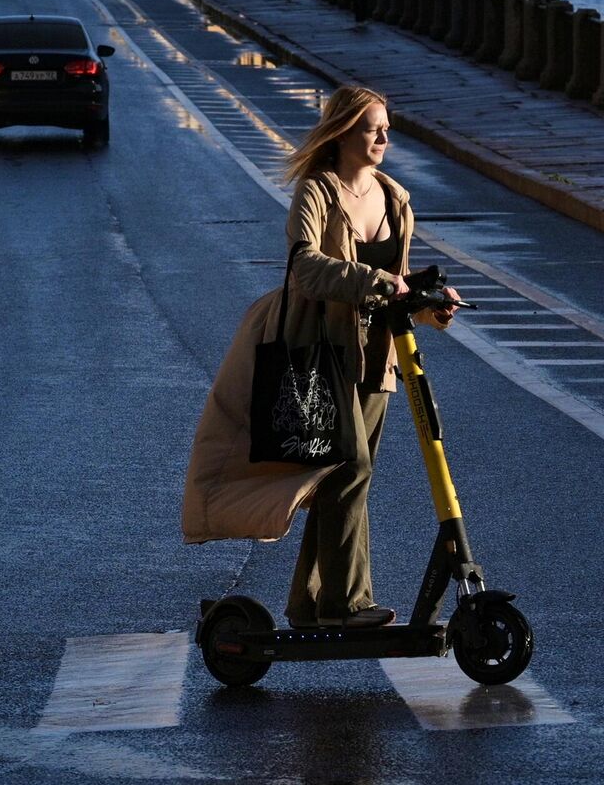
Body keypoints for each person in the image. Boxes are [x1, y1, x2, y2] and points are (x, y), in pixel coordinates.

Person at [181, 86, 458, 630]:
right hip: (321, 351)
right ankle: (344, 603)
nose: (382, 138)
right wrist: (381, 283)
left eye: (385, 128)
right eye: (370, 128)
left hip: (378, 360)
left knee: (347, 478)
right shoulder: (316, 192)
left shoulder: (394, 199)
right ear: (342, 132)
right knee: (347, 467)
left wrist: (429, 307)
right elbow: (305, 266)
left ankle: (309, 603)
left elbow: (395, 289)